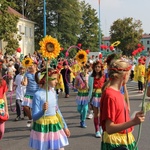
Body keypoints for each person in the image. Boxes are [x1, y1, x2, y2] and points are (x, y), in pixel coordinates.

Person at [100, 59, 145, 150]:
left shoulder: (118, 93)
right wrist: (133, 122)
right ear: (124, 76)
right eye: (129, 74)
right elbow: (109, 128)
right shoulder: (111, 95)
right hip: (116, 144)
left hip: (124, 140)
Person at [29, 68, 70, 150]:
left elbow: (57, 110)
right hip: (42, 126)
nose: (57, 81)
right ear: (46, 79)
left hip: (54, 124)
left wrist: (65, 126)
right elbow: (34, 117)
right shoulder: (38, 95)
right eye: (54, 79)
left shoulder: (53, 92)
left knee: (60, 148)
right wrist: (42, 111)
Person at [88, 60, 105, 138]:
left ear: (101, 68)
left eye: (99, 67)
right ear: (94, 67)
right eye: (96, 67)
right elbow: (90, 89)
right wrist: (89, 101)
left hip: (102, 96)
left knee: (102, 113)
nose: (97, 68)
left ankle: (101, 127)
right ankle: (97, 130)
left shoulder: (104, 76)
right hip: (94, 96)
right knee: (96, 114)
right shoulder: (91, 77)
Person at [21, 61, 39, 127]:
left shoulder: (38, 73)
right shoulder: (27, 74)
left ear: (35, 66)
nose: (30, 67)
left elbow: (41, 82)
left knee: (35, 108)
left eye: (32, 65)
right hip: (28, 92)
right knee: (25, 106)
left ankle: (35, 122)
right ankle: (30, 118)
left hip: (37, 93)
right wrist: (23, 83)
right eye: (30, 65)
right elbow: (25, 83)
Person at [0, 71, 9, 140]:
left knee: (1, 131)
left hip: (1, 107)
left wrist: (7, 110)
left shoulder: (3, 82)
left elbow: (4, 96)